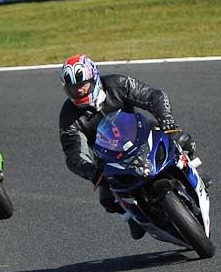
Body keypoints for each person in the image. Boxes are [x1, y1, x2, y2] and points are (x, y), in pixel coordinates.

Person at [58, 54, 201, 239]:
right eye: (72, 87)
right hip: (111, 159)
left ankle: (191, 174)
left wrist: (165, 117)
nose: (78, 91)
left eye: (82, 84)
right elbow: (74, 153)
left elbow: (153, 95)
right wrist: (92, 172)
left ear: (94, 78)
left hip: (143, 135)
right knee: (107, 200)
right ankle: (134, 216)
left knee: (183, 140)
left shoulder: (117, 84)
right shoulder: (68, 116)